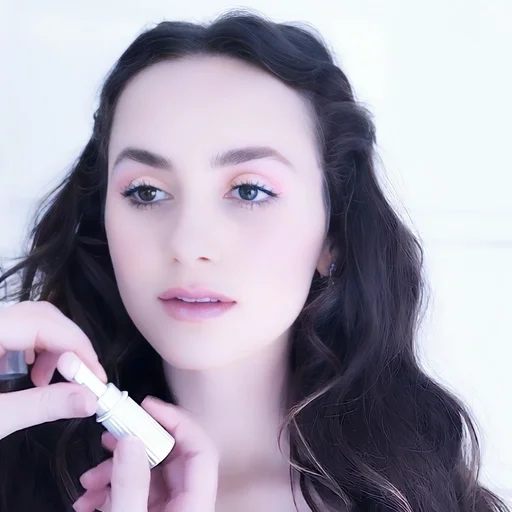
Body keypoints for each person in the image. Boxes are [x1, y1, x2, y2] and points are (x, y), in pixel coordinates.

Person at [0, 8, 509, 512]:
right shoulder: (20, 474)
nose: (188, 243)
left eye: (249, 190)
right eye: (147, 192)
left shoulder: (421, 498)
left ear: (333, 234)